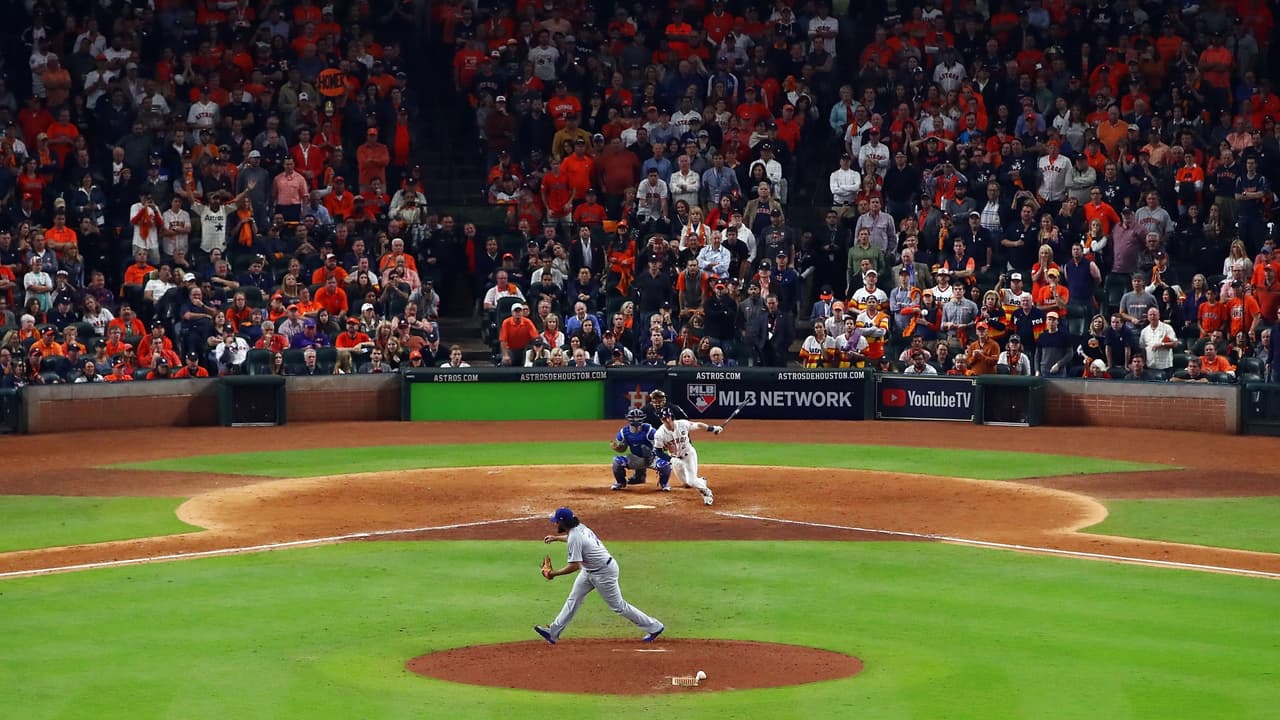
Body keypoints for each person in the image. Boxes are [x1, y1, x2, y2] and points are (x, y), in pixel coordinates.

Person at [533, 507, 665, 645]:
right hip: (589, 570)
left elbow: (574, 566)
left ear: (563, 523)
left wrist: (553, 574)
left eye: (557, 522)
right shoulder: (579, 528)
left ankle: (654, 627)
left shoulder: (575, 537)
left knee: (619, 606)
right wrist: (556, 538)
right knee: (573, 599)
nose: (555, 524)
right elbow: (573, 539)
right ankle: (553, 632)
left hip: (604, 573)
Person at [651, 406, 721, 506]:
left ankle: (706, 493)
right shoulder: (659, 434)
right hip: (675, 459)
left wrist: (713, 428)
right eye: (664, 419)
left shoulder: (682, 424)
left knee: (691, 481)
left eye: (668, 417)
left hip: (688, 455)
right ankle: (701, 481)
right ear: (661, 420)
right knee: (686, 483)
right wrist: (671, 459)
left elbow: (698, 425)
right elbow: (658, 451)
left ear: (671, 416)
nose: (667, 420)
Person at [610, 408, 672, 491]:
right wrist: (617, 448)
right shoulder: (624, 432)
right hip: (636, 458)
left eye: (637, 417)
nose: (636, 420)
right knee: (617, 461)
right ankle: (620, 482)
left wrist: (660, 448)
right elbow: (623, 449)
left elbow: (659, 444)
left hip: (651, 458)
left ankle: (664, 483)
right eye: (634, 418)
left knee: (665, 463)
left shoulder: (649, 430)